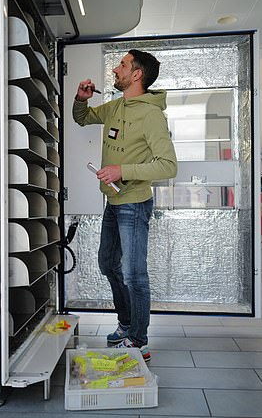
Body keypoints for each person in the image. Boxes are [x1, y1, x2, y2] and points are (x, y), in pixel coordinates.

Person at [72, 49, 177, 362]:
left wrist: (123, 170)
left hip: (134, 204)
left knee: (134, 274)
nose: (115, 69)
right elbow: (82, 118)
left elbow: (168, 166)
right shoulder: (117, 106)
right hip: (114, 201)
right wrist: (81, 98)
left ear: (137, 75)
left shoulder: (151, 115)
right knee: (108, 263)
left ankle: (139, 341)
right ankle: (127, 323)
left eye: (122, 65)